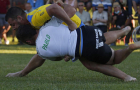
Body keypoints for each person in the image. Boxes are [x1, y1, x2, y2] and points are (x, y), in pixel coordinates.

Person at [6, 17, 139, 82]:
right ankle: (124, 30)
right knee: (102, 38)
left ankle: (126, 73)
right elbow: (61, 14)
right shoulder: (47, 25)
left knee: (108, 60)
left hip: (83, 47)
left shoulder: (41, 50)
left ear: (28, 41)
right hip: (86, 30)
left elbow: (59, 57)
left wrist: (66, 54)